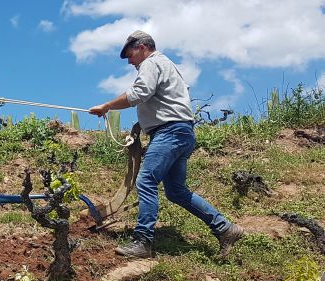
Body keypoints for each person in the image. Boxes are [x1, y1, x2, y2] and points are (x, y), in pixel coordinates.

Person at [89, 30, 243, 259]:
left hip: (169, 133)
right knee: (176, 191)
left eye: (130, 55)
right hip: (182, 132)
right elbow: (165, 101)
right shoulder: (168, 65)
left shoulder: (151, 63)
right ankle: (224, 228)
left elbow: (139, 93)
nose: (130, 61)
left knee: (146, 181)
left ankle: (142, 242)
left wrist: (107, 106)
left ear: (141, 47)